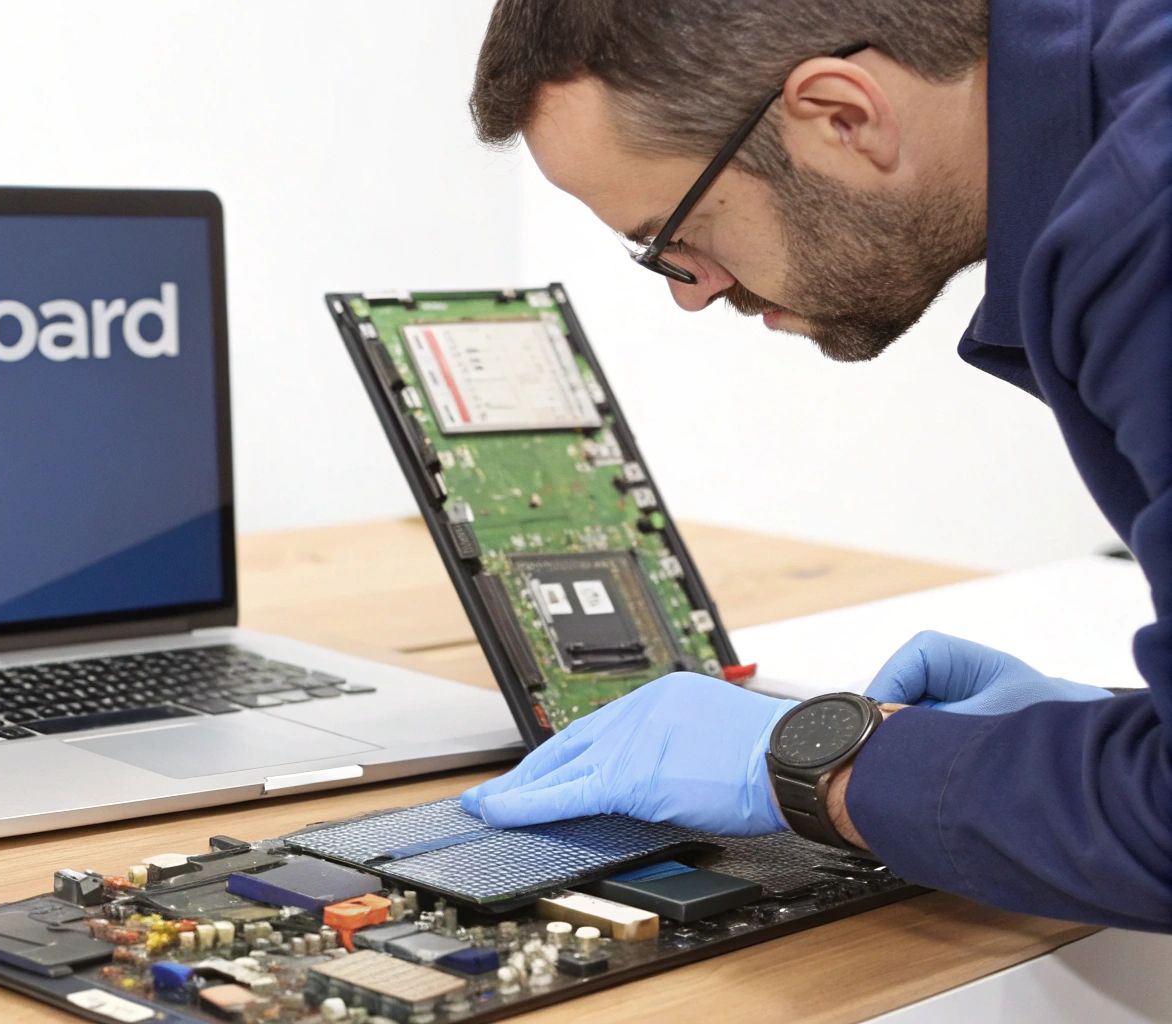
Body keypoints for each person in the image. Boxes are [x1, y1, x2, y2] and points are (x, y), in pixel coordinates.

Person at [457, 0, 1170, 931]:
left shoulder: (1145, 221)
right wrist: (1091, 729)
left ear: (844, 115)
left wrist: (830, 765)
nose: (693, 292)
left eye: (675, 238)